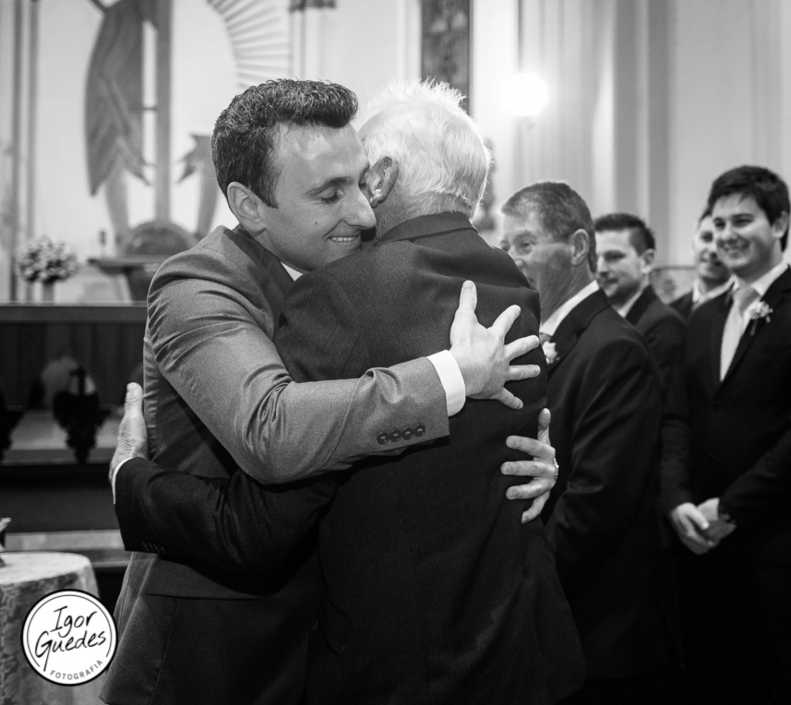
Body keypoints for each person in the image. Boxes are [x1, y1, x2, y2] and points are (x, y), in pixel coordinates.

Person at [103, 79, 553, 705]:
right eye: (329, 193)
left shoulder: (348, 266)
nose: (366, 213)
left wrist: (529, 458)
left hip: (319, 633)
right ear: (250, 204)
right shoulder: (196, 286)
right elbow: (273, 432)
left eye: (362, 182)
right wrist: (451, 376)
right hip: (215, 637)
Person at [662, 165, 791, 705]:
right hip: (701, 539)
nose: (726, 235)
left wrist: (732, 507)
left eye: (742, 220)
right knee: (714, 680)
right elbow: (679, 417)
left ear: (781, 221)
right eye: (718, 224)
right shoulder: (703, 318)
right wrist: (677, 499)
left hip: (782, 543)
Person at [499, 182, 679, 704]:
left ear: (578, 247)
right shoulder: (540, 336)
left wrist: (526, 589)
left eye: (525, 244)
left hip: (599, 621)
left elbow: (599, 499)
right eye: (506, 245)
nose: (512, 259)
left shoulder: (614, 348)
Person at [595, 212, 686, 385]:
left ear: (646, 261)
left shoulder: (664, 325)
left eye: (613, 257)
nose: (601, 269)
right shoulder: (603, 320)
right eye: (594, 258)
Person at [670, 209, 732, 319]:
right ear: (693, 245)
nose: (713, 250)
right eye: (706, 238)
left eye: (722, 241)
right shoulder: (671, 313)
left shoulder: (741, 312)